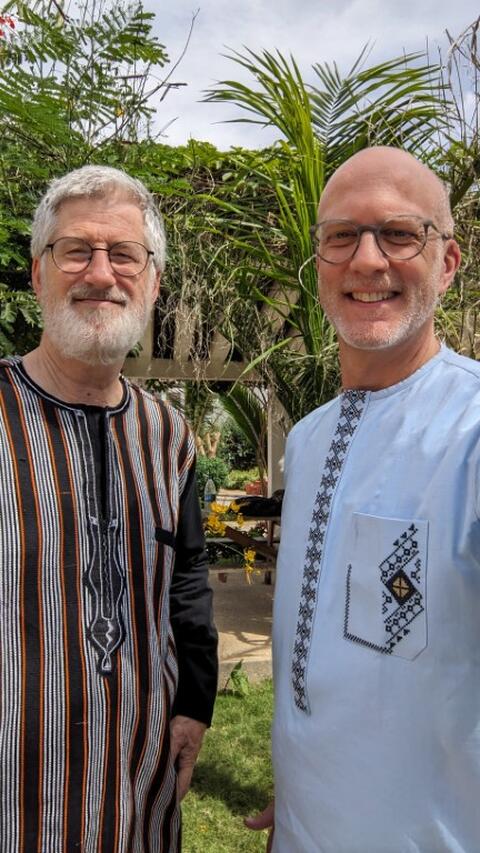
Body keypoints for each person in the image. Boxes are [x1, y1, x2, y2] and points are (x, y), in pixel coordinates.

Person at [247, 146, 480, 851]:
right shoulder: (311, 438)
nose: (368, 261)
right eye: (341, 236)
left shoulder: (470, 432)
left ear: (447, 262)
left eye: (400, 233)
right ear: (318, 264)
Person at [0, 165, 218, 851]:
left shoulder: (170, 434)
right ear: (39, 274)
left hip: (140, 805)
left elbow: (187, 580)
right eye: (76, 251)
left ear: (152, 282)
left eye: (123, 253)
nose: (101, 273)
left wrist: (194, 705)